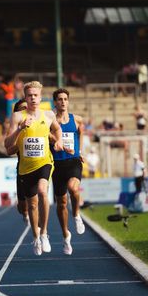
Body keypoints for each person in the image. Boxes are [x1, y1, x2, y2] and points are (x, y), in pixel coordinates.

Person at [5, 81, 63, 256]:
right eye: (29, 95)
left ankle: (44, 233)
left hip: (44, 162)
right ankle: (36, 236)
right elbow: (7, 144)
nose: (33, 98)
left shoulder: (49, 115)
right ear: (25, 97)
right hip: (25, 167)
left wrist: (58, 140)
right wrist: (20, 129)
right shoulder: (17, 117)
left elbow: (57, 130)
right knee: (32, 204)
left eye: (36, 95)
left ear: (40, 96)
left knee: (43, 191)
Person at [50, 88, 86, 256]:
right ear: (55, 102)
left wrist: (81, 151)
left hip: (73, 161)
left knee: (74, 188)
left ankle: (77, 215)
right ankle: (66, 235)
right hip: (57, 164)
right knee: (62, 203)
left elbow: (81, 134)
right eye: (59, 99)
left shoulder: (76, 119)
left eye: (65, 99)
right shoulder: (50, 121)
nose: (63, 102)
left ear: (68, 101)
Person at [6, 99, 29, 224]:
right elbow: (9, 151)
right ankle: (25, 213)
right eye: (21, 109)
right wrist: (21, 143)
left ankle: (41, 230)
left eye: (26, 107)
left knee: (39, 196)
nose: (24, 110)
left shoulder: (40, 122)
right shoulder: (15, 129)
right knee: (22, 206)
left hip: (40, 166)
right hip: (22, 167)